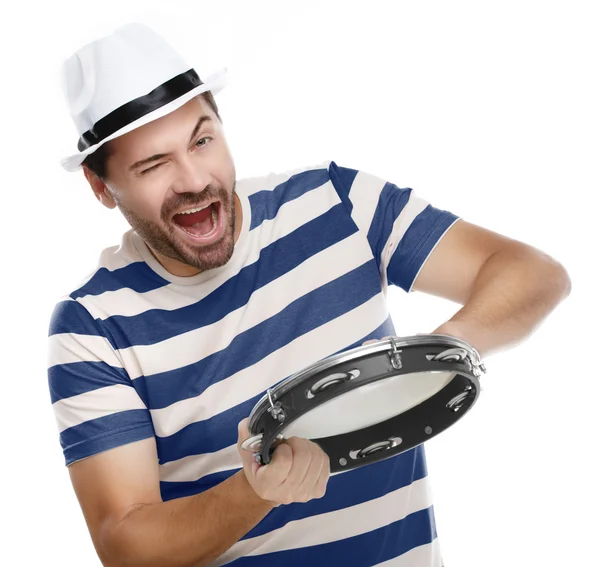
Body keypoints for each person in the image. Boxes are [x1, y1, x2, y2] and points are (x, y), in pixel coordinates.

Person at [47, 22, 571, 567]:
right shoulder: (92, 328)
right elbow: (126, 546)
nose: (193, 179)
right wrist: (257, 490)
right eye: (153, 165)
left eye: (202, 140)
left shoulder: (337, 204)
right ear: (100, 185)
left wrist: (433, 356)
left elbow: (533, 273)